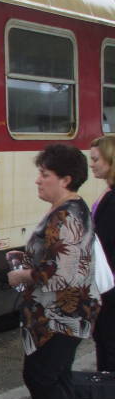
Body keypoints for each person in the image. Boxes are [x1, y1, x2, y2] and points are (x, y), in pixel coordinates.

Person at [7, 144, 100, 399]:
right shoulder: (67, 210)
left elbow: (66, 274)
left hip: (61, 317)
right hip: (59, 316)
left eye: (45, 175)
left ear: (66, 179)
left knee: (41, 378)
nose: (38, 181)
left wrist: (23, 274)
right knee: (55, 378)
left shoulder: (68, 216)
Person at [89, 136, 115, 371]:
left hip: (110, 290)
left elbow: (102, 243)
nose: (92, 164)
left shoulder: (111, 199)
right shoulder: (108, 195)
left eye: (96, 159)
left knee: (108, 348)